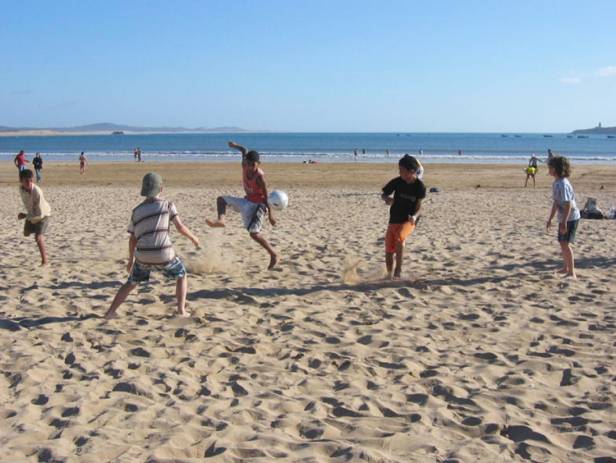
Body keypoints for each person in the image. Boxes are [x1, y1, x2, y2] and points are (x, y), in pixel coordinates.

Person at [104, 173, 200, 319]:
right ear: (161, 188)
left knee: (131, 283)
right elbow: (180, 227)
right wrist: (193, 237)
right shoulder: (168, 205)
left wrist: (131, 260)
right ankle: (181, 310)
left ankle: (110, 312)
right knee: (181, 275)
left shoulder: (136, 211)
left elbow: (132, 239)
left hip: (142, 255)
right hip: (163, 254)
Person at [206, 141, 278, 269]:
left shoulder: (260, 178)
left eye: (253, 165)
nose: (250, 167)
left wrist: (271, 216)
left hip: (258, 206)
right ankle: (221, 220)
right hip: (247, 201)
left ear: (259, 164)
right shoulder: (244, 164)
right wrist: (234, 146)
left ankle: (273, 254)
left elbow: (266, 197)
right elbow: (244, 149)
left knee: (253, 234)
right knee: (221, 200)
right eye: (249, 164)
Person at [381, 155, 426, 279]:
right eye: (399, 169)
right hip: (394, 217)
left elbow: (419, 207)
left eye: (402, 170)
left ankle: (398, 270)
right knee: (389, 247)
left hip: (409, 219)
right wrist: (387, 199)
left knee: (400, 236)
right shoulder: (397, 181)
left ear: (411, 171)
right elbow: (384, 194)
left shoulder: (420, 187)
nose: (399, 172)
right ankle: (389, 274)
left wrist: (415, 216)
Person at [546, 156, 580, 279]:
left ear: (555, 169)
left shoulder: (563, 184)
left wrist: (564, 222)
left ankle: (572, 272)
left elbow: (568, 204)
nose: (548, 169)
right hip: (564, 218)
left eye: (550, 167)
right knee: (562, 242)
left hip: (571, 217)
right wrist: (550, 219)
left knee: (566, 244)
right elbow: (556, 202)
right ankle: (566, 268)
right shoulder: (556, 183)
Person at [18, 169, 51, 265]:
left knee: (38, 237)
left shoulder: (37, 192)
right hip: (31, 214)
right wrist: (27, 215)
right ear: (21, 181)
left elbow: (39, 214)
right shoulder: (21, 189)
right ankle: (35, 231)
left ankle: (44, 261)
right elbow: (28, 203)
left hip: (43, 215)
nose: (29, 183)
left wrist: (25, 215)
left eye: (31, 180)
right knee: (26, 233)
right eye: (26, 181)